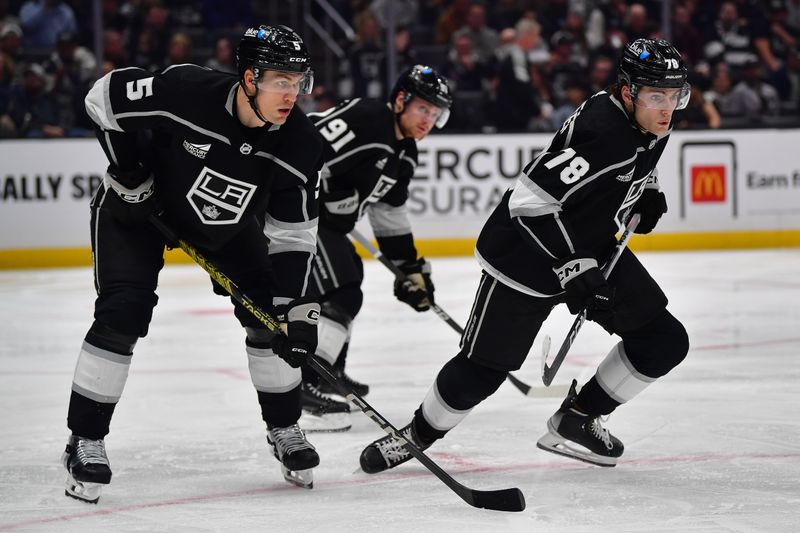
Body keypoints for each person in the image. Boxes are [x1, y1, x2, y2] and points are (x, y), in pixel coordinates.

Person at [358, 39, 691, 473]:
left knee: (664, 340)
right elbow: (528, 204)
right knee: (482, 373)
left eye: (674, 95)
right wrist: (575, 266)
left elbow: (641, 158)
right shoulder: (602, 133)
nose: (667, 108)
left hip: (589, 245)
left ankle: (578, 417)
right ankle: (418, 434)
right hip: (524, 259)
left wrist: (648, 192)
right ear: (627, 92)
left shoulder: (648, 121)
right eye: (655, 96)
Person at [62, 24, 325, 503]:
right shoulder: (187, 91)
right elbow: (102, 98)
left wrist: (295, 314)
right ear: (249, 77)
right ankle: (85, 438)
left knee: (269, 317)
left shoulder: (300, 144)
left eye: (298, 82)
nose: (291, 94)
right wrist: (129, 170)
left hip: (226, 223)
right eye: (280, 81)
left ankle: (285, 428)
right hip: (138, 209)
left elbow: (292, 235)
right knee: (124, 312)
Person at [298, 65, 453, 432]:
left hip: (322, 225)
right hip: (295, 217)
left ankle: (326, 373)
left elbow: (389, 215)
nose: (428, 120)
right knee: (342, 289)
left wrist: (410, 268)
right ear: (400, 100)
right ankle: (302, 385)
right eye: (423, 109)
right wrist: (330, 194)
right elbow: (303, 149)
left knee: (349, 274)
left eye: (435, 114)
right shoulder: (368, 119)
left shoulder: (405, 153)